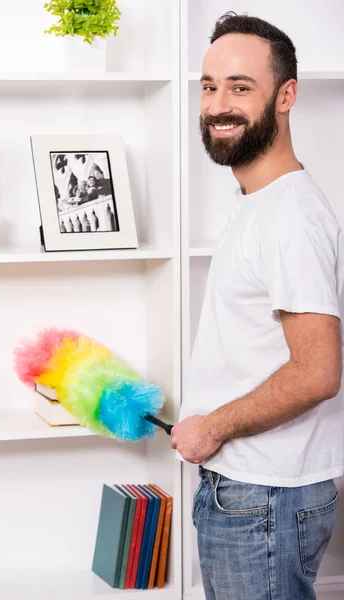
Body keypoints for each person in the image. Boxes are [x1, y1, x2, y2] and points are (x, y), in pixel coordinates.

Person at [171, 12, 344, 600]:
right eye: (209, 86)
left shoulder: (290, 216)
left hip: (263, 499)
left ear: (286, 95)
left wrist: (210, 427)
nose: (219, 104)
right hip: (250, 493)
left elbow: (318, 371)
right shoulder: (260, 201)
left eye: (241, 88)